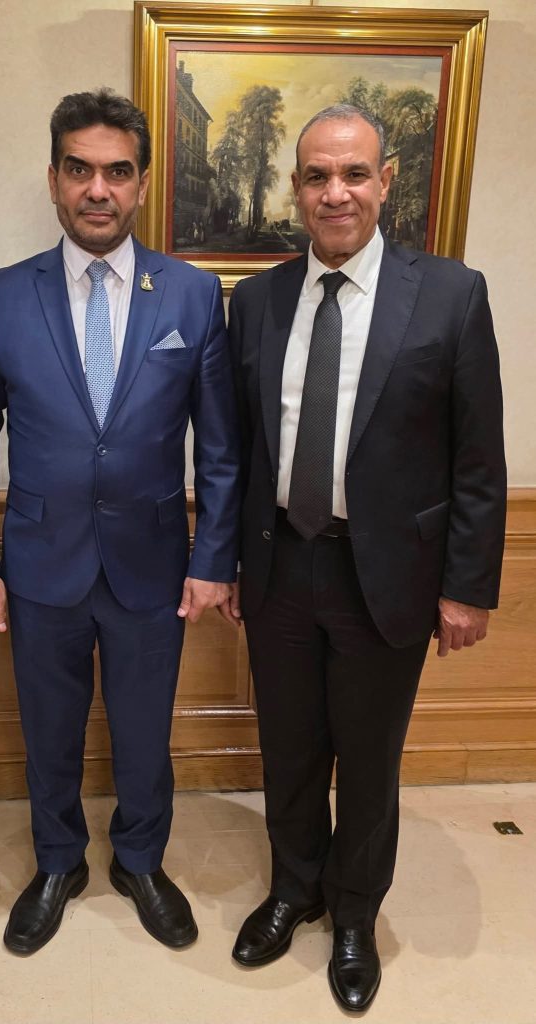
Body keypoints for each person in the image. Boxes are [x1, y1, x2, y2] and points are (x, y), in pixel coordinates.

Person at [227, 104, 505, 1011]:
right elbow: (239, 448)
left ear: (387, 182)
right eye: (317, 176)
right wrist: (227, 560)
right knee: (289, 748)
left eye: (354, 174)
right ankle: (294, 887)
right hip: (279, 566)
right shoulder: (258, 302)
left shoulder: (452, 295)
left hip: (386, 575)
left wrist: (467, 588)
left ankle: (354, 913)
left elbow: (477, 460)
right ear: (296, 189)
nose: (335, 192)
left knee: (370, 758)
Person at [0, 88, 239, 955]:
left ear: (142, 183)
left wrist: (213, 557)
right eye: (79, 169)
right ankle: (58, 861)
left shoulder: (192, 296)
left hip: (153, 559)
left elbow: (220, 449)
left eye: (117, 171)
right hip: (41, 558)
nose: (98, 189)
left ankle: (141, 861)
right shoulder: (3, 295)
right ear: (53, 179)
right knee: (49, 728)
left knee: (145, 730)